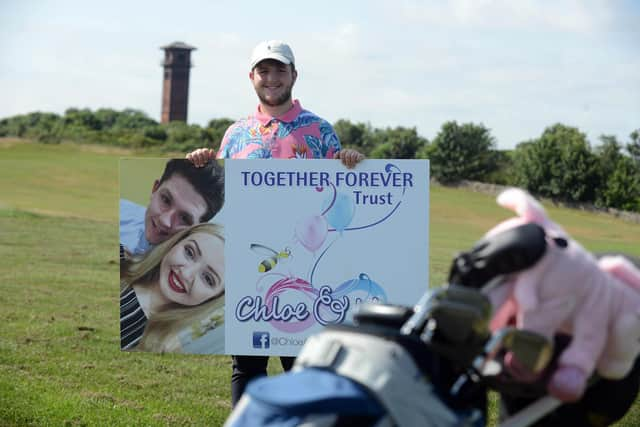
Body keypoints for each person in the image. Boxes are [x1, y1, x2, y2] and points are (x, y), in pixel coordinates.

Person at [186, 40, 365, 406]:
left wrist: (350, 160)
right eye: (264, 71)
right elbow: (220, 197)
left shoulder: (320, 131)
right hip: (247, 267)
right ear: (251, 77)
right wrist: (203, 162)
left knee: (301, 366)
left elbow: (340, 193)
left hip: (307, 271)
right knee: (247, 367)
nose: (272, 78)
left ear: (294, 75)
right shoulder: (236, 134)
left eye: (280, 70)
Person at [120, 223, 225, 352]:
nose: (186, 274)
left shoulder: (164, 349)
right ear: (176, 242)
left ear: (214, 297)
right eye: (189, 252)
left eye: (208, 279)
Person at [120, 158, 224, 256]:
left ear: (198, 228)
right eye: (166, 200)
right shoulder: (120, 211)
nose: (165, 221)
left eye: (184, 218)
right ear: (155, 189)